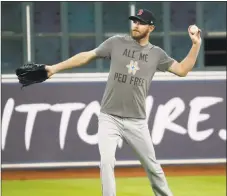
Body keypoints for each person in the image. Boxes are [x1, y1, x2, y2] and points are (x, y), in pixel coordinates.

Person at [45, 8, 201, 196]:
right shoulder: (116, 43)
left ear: (151, 28)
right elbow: (87, 55)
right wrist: (54, 68)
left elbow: (183, 70)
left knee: (153, 167)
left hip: (137, 121)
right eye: (134, 21)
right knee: (106, 162)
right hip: (109, 117)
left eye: (140, 22)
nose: (135, 25)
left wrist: (195, 45)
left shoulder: (156, 54)